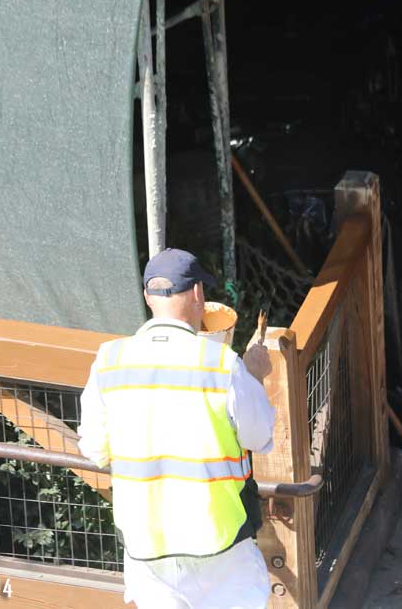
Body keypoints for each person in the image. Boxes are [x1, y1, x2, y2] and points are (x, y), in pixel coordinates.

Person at [77, 248, 276, 608]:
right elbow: (259, 437)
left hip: (147, 548)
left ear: (147, 297)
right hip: (220, 547)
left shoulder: (109, 360)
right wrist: (255, 378)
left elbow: (94, 448)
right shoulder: (221, 364)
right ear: (199, 294)